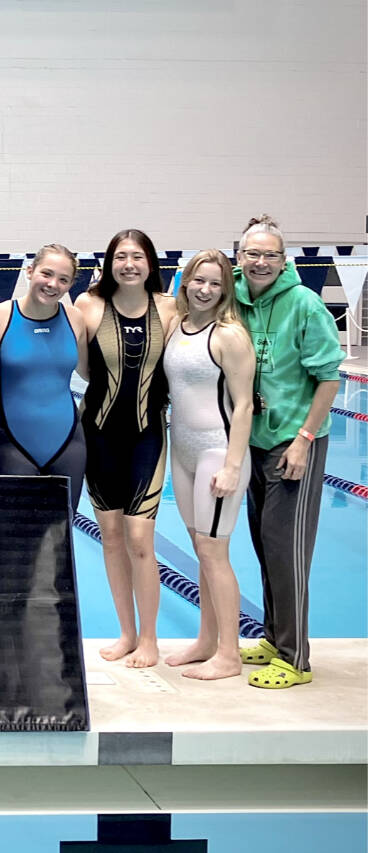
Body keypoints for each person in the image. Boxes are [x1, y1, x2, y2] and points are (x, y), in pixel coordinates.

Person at [233, 215, 343, 688]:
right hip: (254, 443)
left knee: (287, 550)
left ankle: (295, 658)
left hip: (293, 444)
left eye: (269, 255)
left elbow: (329, 377)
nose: (260, 262)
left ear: (284, 260)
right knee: (264, 544)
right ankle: (277, 637)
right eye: (252, 253)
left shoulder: (305, 304)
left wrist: (304, 438)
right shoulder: (233, 302)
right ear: (239, 256)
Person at [76, 229, 178, 668]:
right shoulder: (88, 305)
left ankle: (151, 638)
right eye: (121, 257)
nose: (129, 264)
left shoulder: (169, 308)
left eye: (138, 257)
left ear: (151, 263)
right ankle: (127, 632)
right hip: (98, 434)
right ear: (109, 262)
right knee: (112, 538)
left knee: (140, 539)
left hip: (147, 435)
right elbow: (80, 366)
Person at [161, 249, 254, 680]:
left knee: (215, 552)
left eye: (216, 283)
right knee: (201, 549)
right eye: (199, 280)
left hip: (217, 453)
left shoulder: (229, 334)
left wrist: (233, 465)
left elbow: (243, 407)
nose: (206, 289)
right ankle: (205, 641)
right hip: (182, 451)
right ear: (186, 281)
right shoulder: (177, 327)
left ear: (225, 290)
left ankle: (229, 655)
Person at [0, 244, 89, 509]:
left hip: (69, 442)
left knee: (61, 537)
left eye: (63, 279)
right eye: (47, 273)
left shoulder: (75, 319)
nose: (53, 284)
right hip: (14, 443)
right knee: (17, 536)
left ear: (70, 285)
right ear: (30, 271)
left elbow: (90, 373)